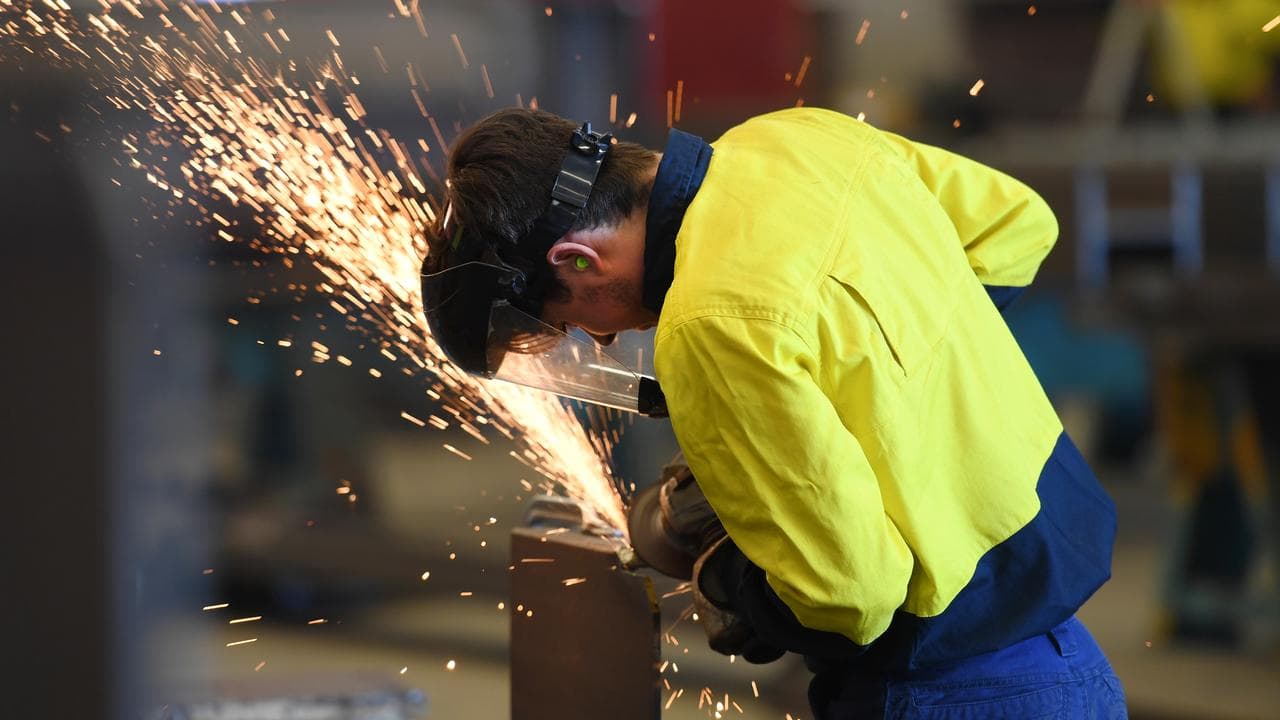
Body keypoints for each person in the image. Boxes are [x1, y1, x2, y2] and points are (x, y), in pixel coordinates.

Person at [420, 107, 1128, 719]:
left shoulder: (707, 324)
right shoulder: (797, 140)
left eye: (568, 323)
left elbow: (852, 593)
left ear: (577, 260)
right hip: (1076, 666)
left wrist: (733, 579)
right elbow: (1018, 227)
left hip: (949, 693)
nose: (602, 338)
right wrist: (902, 388)